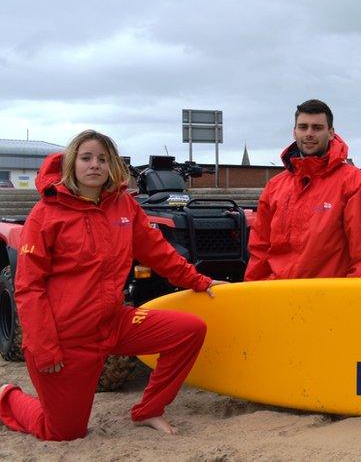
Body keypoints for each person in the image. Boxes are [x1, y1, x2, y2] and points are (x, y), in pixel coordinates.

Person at [0, 130, 223, 441]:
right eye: (87, 158)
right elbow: (29, 288)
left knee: (189, 331)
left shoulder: (123, 207)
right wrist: (43, 346)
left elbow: (157, 251)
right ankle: (7, 396)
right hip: (66, 338)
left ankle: (149, 410)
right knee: (62, 432)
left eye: (103, 159)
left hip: (113, 323)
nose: (95, 165)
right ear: (71, 163)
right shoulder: (45, 214)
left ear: (112, 165)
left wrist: (196, 280)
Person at [245, 99, 361, 280]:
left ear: (331, 133)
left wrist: (353, 299)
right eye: (303, 127)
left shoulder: (351, 181)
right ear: (294, 132)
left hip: (328, 297)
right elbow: (260, 247)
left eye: (317, 128)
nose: (309, 133)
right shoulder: (275, 186)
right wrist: (255, 291)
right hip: (278, 294)